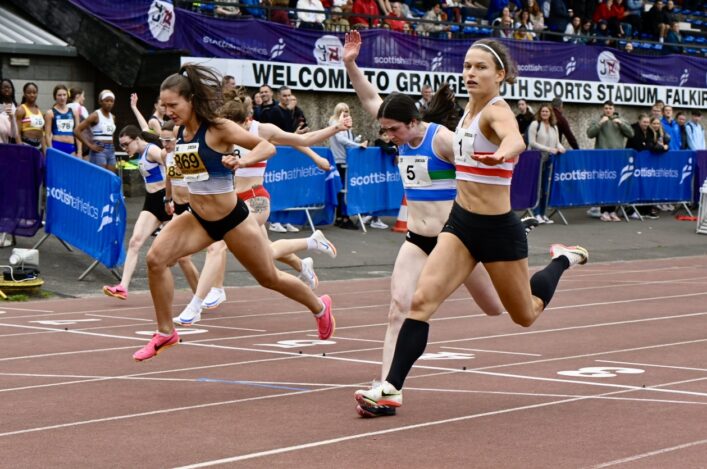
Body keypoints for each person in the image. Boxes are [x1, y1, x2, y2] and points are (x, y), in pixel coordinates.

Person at [353, 38, 587, 416]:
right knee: (419, 302)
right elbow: (374, 103)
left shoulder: (496, 111)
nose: (471, 73)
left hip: (497, 230)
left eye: (480, 67)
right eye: (467, 66)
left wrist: (505, 151)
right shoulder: (464, 114)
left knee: (523, 314)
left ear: (500, 75)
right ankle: (391, 388)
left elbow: (515, 137)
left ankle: (562, 260)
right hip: (460, 224)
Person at [132, 64, 334, 361]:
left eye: (173, 105)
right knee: (155, 259)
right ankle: (166, 332)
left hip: (233, 220)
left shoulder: (218, 128)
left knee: (270, 278)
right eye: (164, 105)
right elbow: (182, 167)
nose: (168, 111)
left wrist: (242, 161)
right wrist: (171, 193)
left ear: (190, 100)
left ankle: (320, 307)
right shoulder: (180, 132)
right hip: (198, 218)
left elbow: (267, 147)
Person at [173, 92, 346, 325]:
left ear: (245, 122)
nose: (230, 133)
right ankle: (309, 248)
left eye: (234, 127)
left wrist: (334, 130)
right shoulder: (220, 131)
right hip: (232, 200)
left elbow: (301, 141)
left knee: (219, 244)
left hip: (256, 198)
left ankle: (204, 298)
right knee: (265, 254)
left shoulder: (261, 130)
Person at [131, 93, 201, 292]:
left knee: (185, 256)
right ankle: (200, 296)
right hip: (177, 209)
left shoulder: (187, 153)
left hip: (193, 209)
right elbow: (145, 130)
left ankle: (202, 296)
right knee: (162, 254)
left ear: (177, 138)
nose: (165, 145)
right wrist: (167, 199)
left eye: (169, 141)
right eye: (162, 140)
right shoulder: (166, 154)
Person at [103, 125, 172, 300]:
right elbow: (144, 128)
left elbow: (172, 167)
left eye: (126, 144)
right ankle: (123, 287)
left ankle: (202, 292)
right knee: (135, 242)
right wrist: (134, 108)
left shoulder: (152, 150)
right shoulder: (142, 152)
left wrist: (172, 197)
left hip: (167, 199)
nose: (125, 149)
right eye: (122, 146)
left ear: (136, 139)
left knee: (182, 257)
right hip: (152, 202)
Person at [586, 100, 633, 222]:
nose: (608, 110)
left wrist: (621, 124)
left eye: (610, 108)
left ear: (614, 109)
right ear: (603, 109)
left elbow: (631, 134)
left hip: (617, 157)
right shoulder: (598, 120)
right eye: (606, 108)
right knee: (604, 183)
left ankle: (612, 210)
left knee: (615, 184)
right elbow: (590, 134)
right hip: (602, 157)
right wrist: (600, 124)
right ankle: (603, 211)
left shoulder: (621, 120)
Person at [328, 102, 368, 230]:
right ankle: (343, 217)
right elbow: (342, 140)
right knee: (341, 190)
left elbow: (346, 141)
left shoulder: (346, 124)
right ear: (337, 111)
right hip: (338, 160)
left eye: (346, 110)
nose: (345, 112)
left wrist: (356, 141)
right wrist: (357, 145)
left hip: (344, 159)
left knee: (342, 190)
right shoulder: (335, 123)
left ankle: (341, 217)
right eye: (341, 110)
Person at [528, 103, 565, 225]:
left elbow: (557, 142)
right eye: (543, 111)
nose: (545, 113)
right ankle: (536, 213)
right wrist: (549, 149)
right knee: (537, 187)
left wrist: (561, 148)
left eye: (547, 112)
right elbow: (532, 143)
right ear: (540, 113)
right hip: (537, 158)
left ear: (550, 113)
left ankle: (543, 214)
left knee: (546, 188)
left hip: (549, 159)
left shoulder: (554, 127)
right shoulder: (535, 124)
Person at [74, 90, 117, 172]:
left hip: (111, 150)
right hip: (99, 149)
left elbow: (111, 134)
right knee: (100, 176)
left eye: (111, 101)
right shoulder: (95, 115)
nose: (109, 103)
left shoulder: (113, 117)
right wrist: (89, 145)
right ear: (100, 102)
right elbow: (77, 130)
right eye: (107, 101)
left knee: (110, 177)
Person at [44, 84, 79, 156]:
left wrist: (79, 152)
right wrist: (51, 150)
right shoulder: (50, 113)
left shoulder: (74, 112)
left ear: (67, 96)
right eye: (59, 95)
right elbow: (47, 134)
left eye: (64, 95)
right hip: (57, 146)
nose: (62, 98)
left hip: (71, 147)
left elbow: (78, 134)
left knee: (70, 167)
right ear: (55, 97)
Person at [14, 82, 44, 152]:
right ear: (24, 94)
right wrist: (20, 147)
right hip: (26, 145)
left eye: (34, 92)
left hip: (39, 147)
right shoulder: (21, 109)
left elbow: (42, 134)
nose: (32, 95)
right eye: (29, 92)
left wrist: (45, 151)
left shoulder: (39, 110)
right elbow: (16, 132)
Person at [68, 87, 89, 157]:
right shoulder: (81, 108)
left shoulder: (65, 107)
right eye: (83, 96)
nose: (84, 98)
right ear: (77, 96)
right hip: (82, 143)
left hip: (69, 141)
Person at [0, 79, 18, 145]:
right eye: (4, 87)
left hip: (11, 141)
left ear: (12, 89)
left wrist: (12, 117)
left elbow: (14, 134)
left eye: (8, 87)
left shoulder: (17, 106)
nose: (6, 89)